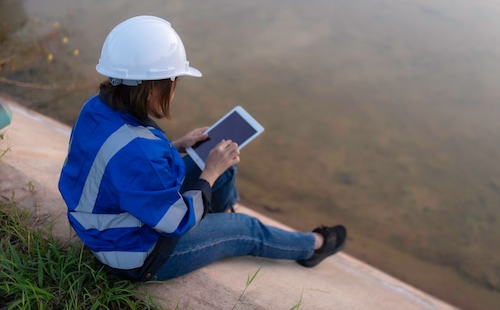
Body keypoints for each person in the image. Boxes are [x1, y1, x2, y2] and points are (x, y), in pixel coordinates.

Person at [58, 15, 347, 281]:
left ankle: (220, 221)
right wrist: (208, 174)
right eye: (175, 80)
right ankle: (314, 246)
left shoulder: (95, 107)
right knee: (246, 227)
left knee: (224, 167)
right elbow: (175, 221)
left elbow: (118, 164)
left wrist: (178, 146)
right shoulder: (142, 153)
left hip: (103, 221)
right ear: (156, 86)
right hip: (135, 254)